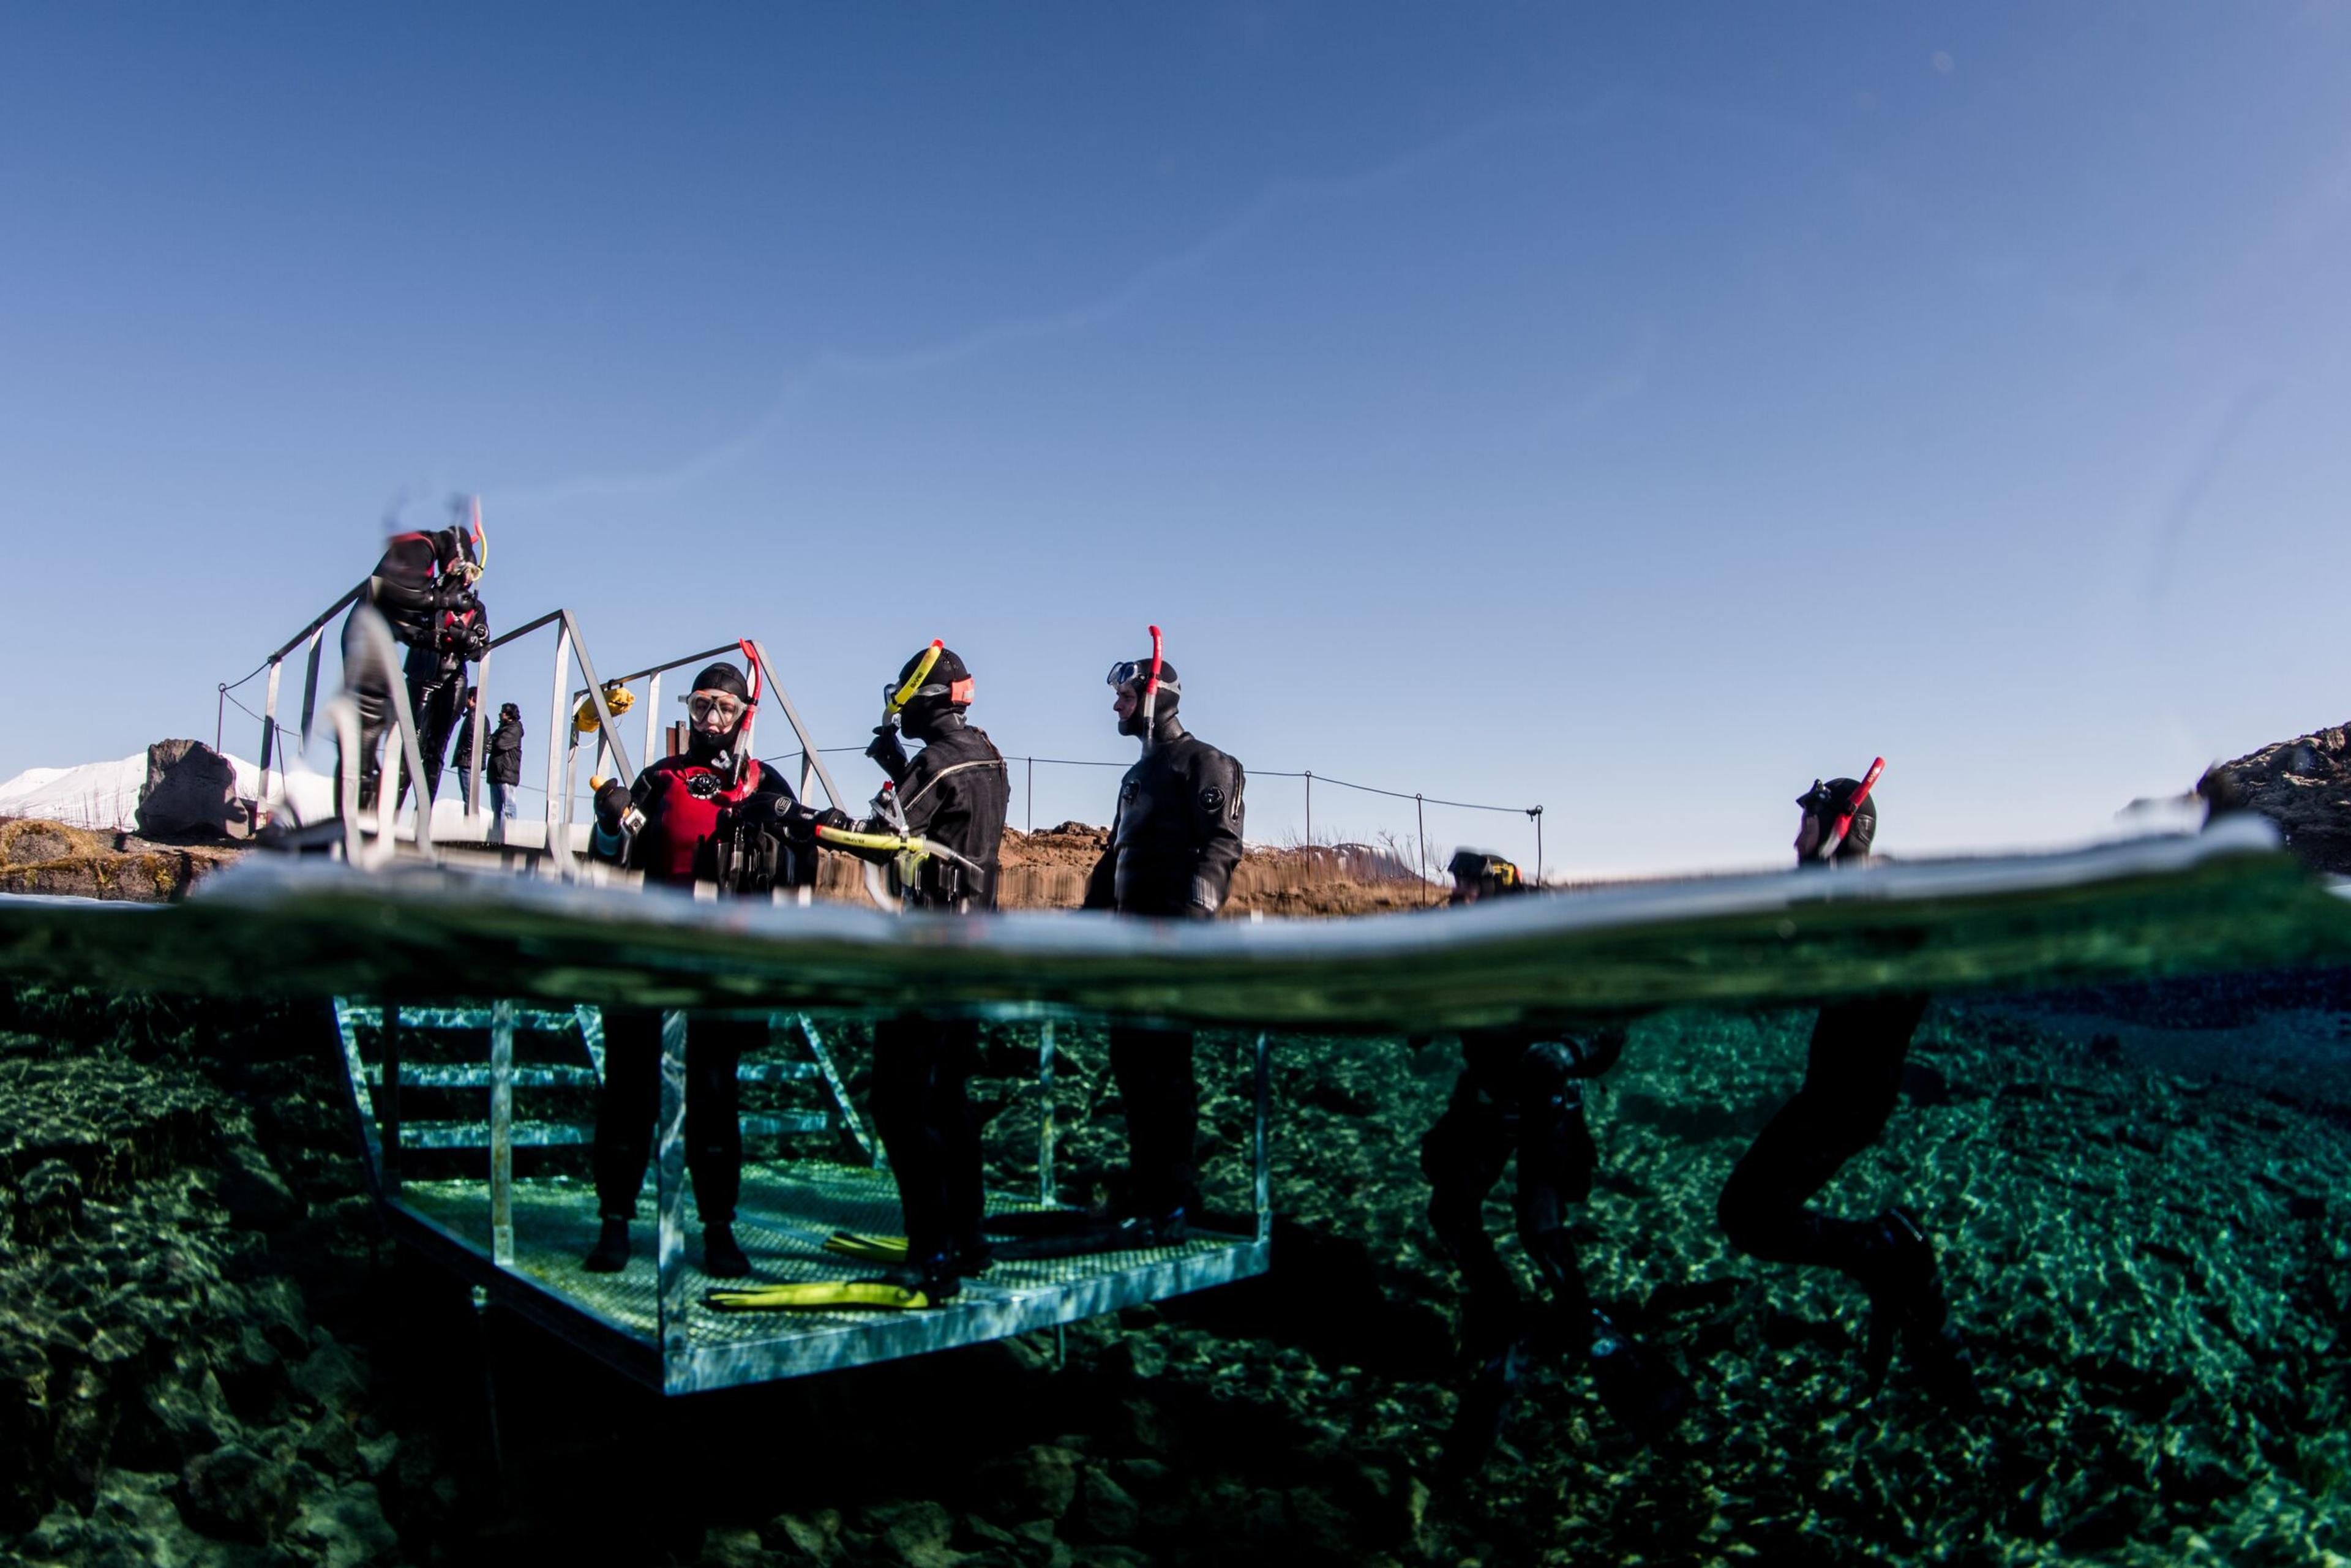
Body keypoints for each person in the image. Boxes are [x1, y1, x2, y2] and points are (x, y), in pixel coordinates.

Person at [1420, 850, 1690, 1479]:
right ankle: (1502, 1315)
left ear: (1496, 883)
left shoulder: (1551, 927)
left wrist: (1566, 1049)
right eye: (1455, 883)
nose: (1455, 892)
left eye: (1466, 883)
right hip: (1489, 1094)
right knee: (1451, 1207)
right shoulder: (1465, 933)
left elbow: (1611, 1015)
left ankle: (1588, 1329)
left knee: (1539, 1226)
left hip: (1545, 1097)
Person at [1714, 773, 1976, 1405]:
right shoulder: (1841, 906)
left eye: (1809, 822)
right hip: (1839, 1096)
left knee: (1746, 1215)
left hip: (1849, 1101)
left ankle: (1889, 1251)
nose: (1794, 836)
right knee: (1748, 1215)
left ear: (1844, 829)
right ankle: (1890, 1260)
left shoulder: (1875, 906)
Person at [578, 661, 838, 1278]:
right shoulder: (658, 777)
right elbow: (609, 856)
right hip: (649, 964)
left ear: (745, 713)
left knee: (717, 1101)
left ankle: (718, 1229)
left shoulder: (766, 783)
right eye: (700, 706)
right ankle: (615, 1223)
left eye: (723, 706)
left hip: (721, 971)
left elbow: (803, 871)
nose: (711, 719)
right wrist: (608, 819)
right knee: (627, 1096)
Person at [850, 643, 1010, 1300]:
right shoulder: (987, 752)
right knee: (949, 1096)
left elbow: (881, 837)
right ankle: (969, 1238)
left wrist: (811, 823)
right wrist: (902, 765)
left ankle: (931, 1250)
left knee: (898, 1099)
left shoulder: (938, 762)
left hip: (932, 945)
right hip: (977, 942)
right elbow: (951, 816)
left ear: (928, 697)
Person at [1081, 648, 1245, 1237]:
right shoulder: (1134, 776)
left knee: (1166, 1074)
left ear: (1154, 698)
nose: (1116, 705)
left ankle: (1174, 1201)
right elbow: (1115, 858)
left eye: (1124, 695)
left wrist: (1189, 925)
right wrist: (1083, 930)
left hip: (1171, 946)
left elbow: (1221, 846)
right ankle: (1146, 1194)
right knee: (1131, 1068)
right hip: (1126, 949)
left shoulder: (1205, 762)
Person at [339, 513, 486, 811]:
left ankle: (422, 818)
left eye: (473, 573)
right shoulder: (428, 592)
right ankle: (386, 814)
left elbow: (480, 649)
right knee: (408, 745)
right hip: (421, 673)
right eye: (464, 570)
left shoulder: (475, 607)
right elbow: (408, 623)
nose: (468, 579)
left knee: (435, 752)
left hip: (453, 677)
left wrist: (472, 640)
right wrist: (436, 629)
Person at [486, 701, 524, 839]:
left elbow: (499, 744)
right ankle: (498, 837)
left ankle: (511, 838)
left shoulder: (515, 728)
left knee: (509, 807)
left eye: (503, 711)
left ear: (509, 714)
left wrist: (492, 740)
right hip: (496, 773)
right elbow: (491, 742)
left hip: (507, 773)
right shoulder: (502, 728)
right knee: (497, 809)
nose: (500, 713)